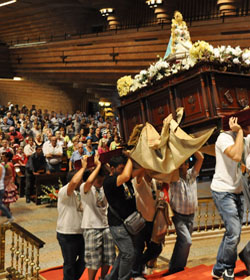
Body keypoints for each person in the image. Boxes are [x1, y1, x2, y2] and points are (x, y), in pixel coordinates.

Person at [211, 117, 245, 280]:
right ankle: (228, 269)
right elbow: (237, 156)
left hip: (237, 191)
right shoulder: (223, 138)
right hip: (223, 191)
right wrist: (239, 132)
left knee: (231, 232)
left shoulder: (242, 137)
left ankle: (218, 268)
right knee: (235, 232)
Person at [168, 151, 204, 274]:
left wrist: (190, 147)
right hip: (178, 215)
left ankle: (175, 267)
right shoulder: (173, 177)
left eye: (182, 164)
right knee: (187, 241)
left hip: (191, 215)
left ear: (187, 165)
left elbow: (201, 158)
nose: (179, 166)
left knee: (182, 241)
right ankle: (178, 266)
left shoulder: (192, 174)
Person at [81, 154, 115, 280]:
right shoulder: (86, 188)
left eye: (102, 179)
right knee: (93, 259)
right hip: (91, 226)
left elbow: (112, 176)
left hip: (106, 225)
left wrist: (104, 163)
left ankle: (104, 277)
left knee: (108, 257)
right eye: (98, 180)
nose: (100, 182)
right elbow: (89, 181)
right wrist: (98, 165)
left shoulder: (105, 187)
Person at [103, 156, 137, 280]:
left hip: (128, 222)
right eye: (121, 168)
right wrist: (130, 158)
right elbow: (127, 176)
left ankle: (110, 278)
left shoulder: (123, 180)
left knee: (124, 253)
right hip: (117, 224)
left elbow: (140, 171)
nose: (124, 171)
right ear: (112, 168)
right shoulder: (109, 181)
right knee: (128, 254)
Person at [56, 157, 87, 280]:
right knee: (69, 263)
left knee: (86, 260)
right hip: (67, 233)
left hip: (81, 232)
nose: (82, 181)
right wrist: (83, 167)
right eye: (81, 179)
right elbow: (73, 183)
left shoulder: (81, 193)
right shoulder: (65, 191)